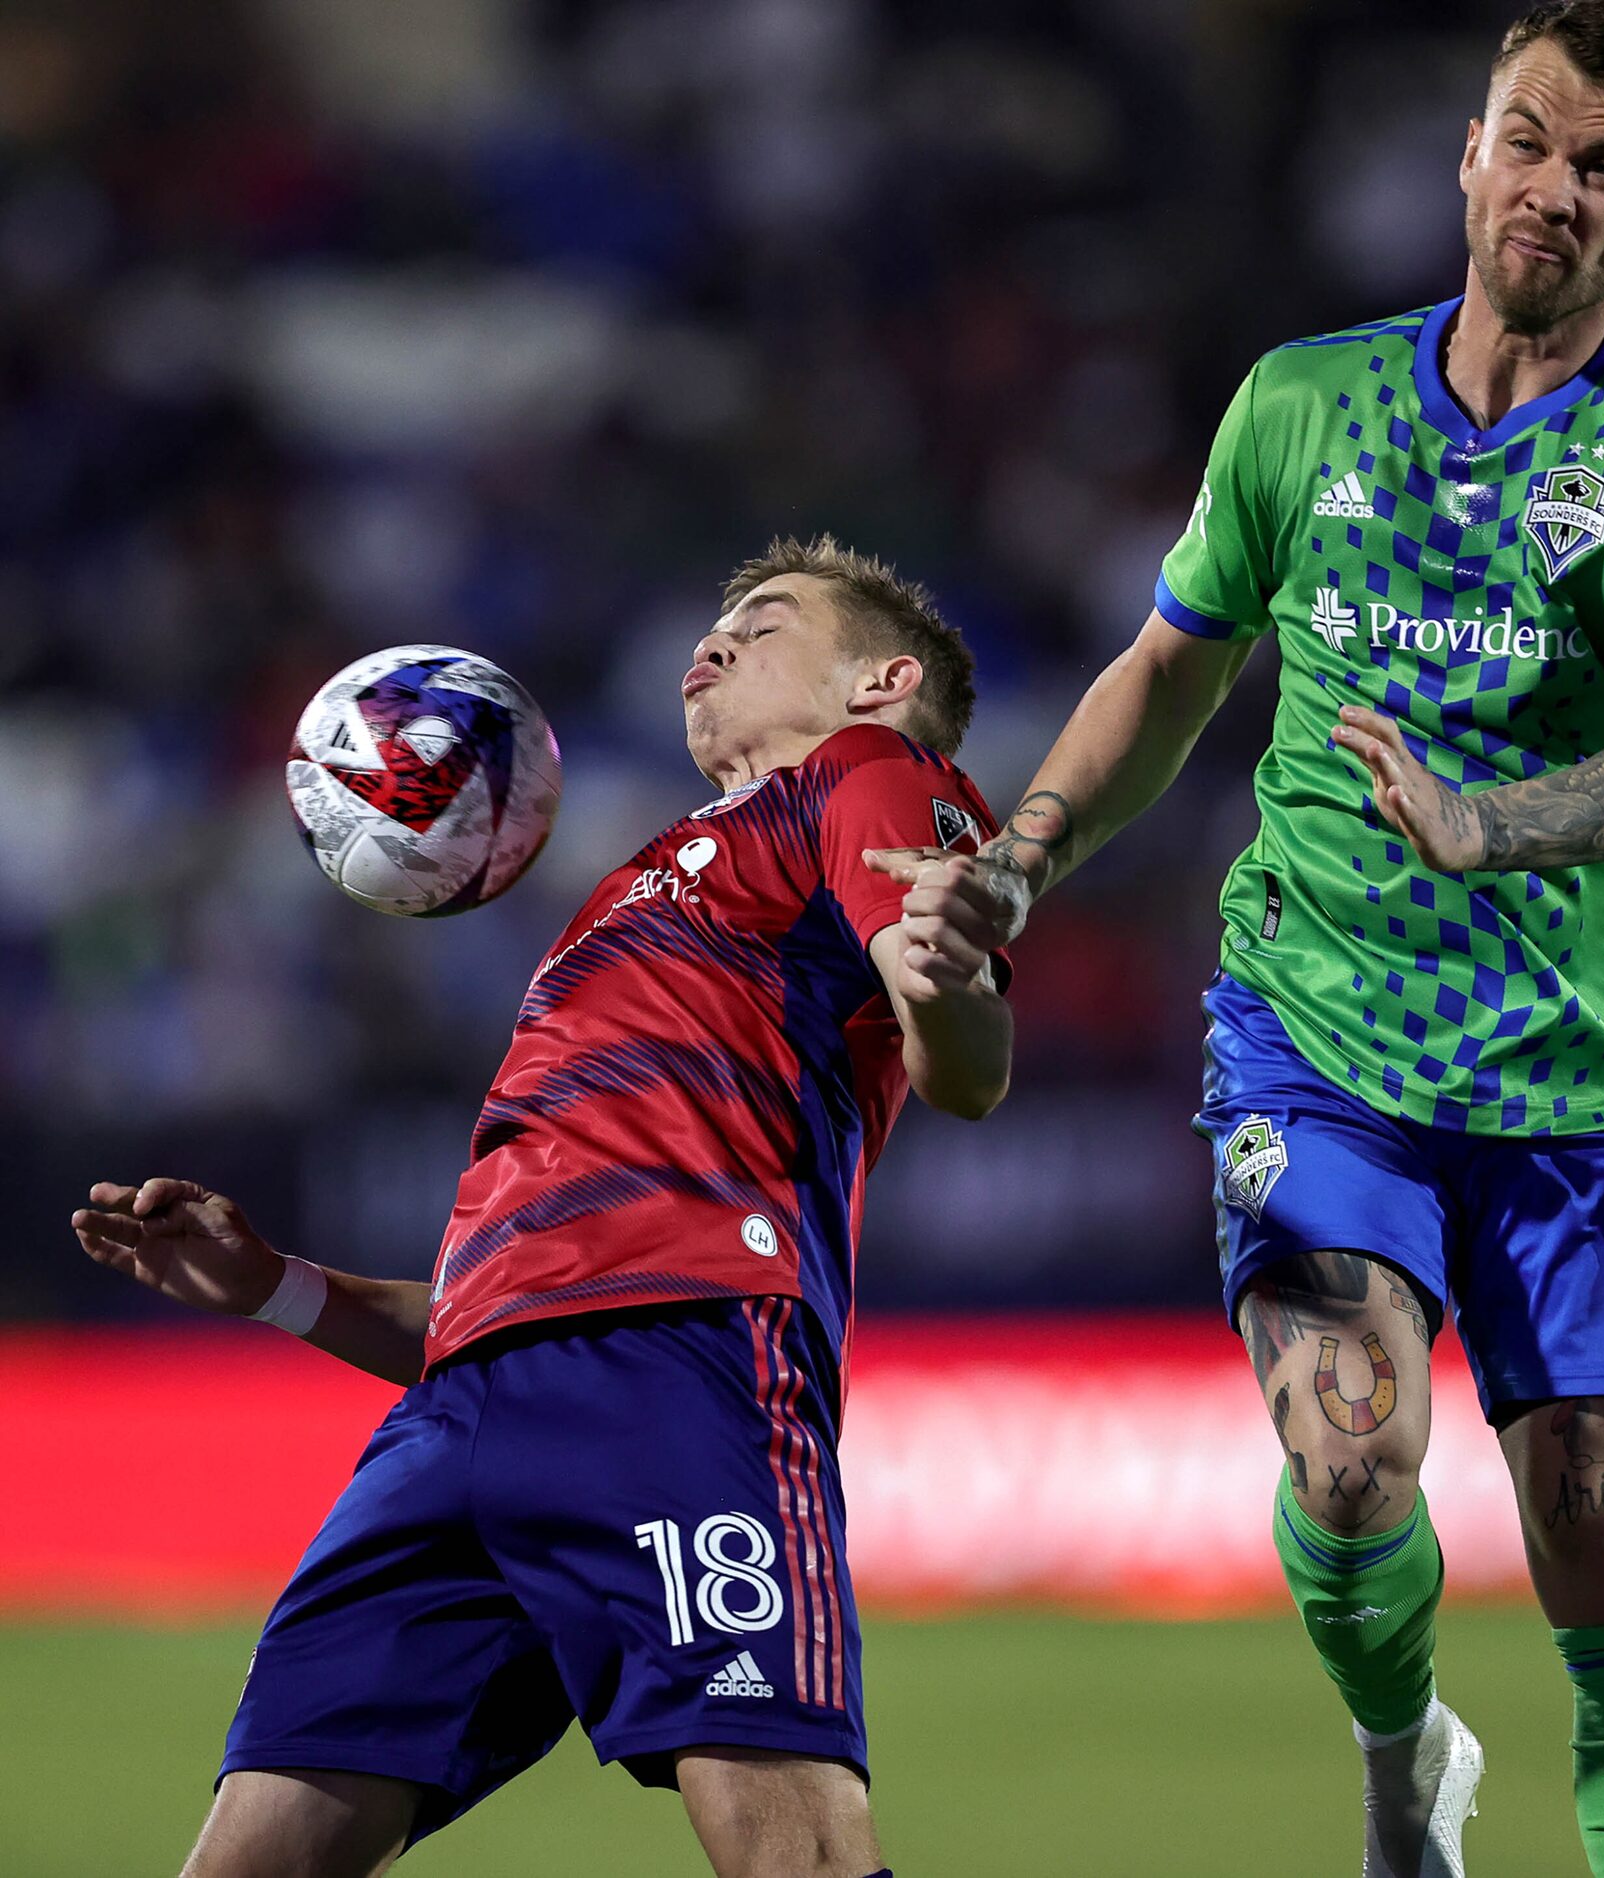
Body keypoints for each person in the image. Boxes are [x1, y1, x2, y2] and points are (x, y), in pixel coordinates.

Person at [872, 4, 1604, 1873]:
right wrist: (1024, 859)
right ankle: (1398, 1756)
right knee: (1354, 1456)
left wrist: (1491, 822)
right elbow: (1168, 676)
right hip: (1323, 1043)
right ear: (1468, 152)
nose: (1558, 189)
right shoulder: (1304, 404)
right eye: (1531, 139)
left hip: (1575, 1085)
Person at [72, 534, 1013, 1878]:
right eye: (718, 616)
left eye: (765, 619)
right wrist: (275, 1283)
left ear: (882, 678)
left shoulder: (868, 778)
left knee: (787, 1838)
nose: (720, 637)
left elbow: (965, 1057)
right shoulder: (640, 889)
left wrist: (943, 986)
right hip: (457, 1418)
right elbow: (501, 1309)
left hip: (682, 1361)